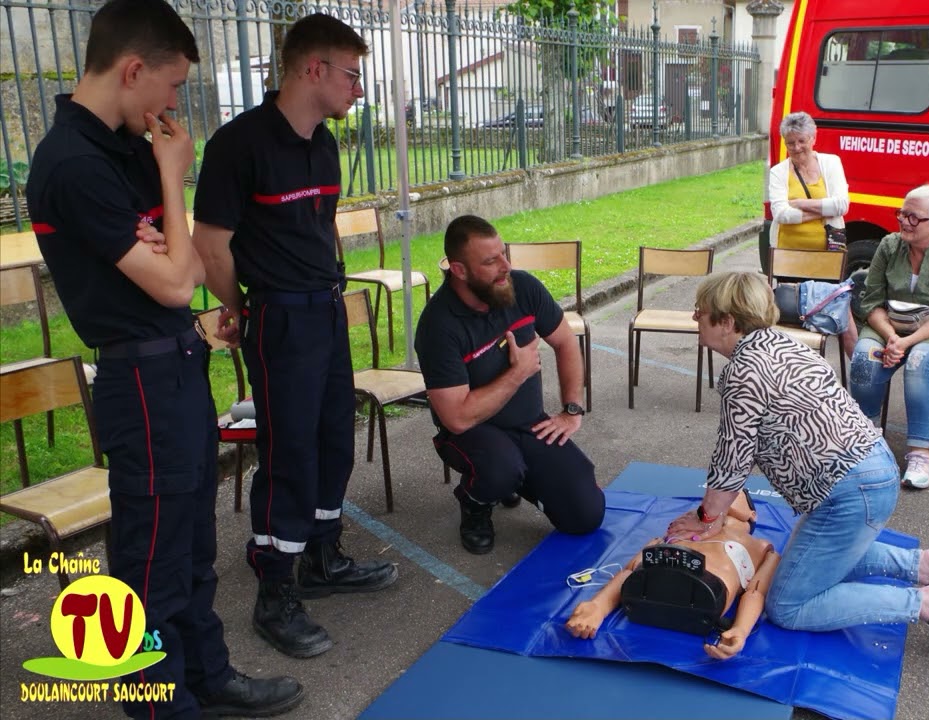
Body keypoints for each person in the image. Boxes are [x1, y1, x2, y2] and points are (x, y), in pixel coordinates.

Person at [25, 0, 302, 716]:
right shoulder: (72, 162)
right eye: (172, 86)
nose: (175, 104)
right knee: (150, 556)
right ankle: (157, 701)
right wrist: (173, 179)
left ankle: (206, 674)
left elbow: (170, 254)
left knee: (191, 542)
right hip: (139, 375)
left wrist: (162, 218)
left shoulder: (120, 146)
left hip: (176, 361)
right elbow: (179, 277)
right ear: (133, 69)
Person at [193, 13, 398, 660]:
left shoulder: (325, 145)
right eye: (352, 74)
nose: (358, 89)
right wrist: (238, 308)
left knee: (335, 436)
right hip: (278, 318)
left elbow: (318, 230)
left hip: (326, 310)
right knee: (288, 454)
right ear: (314, 69)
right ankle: (274, 592)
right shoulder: (240, 144)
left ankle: (322, 557)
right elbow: (210, 244)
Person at [665, 272, 929, 645]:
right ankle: (923, 566)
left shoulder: (742, 372)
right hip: (872, 471)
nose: (694, 318)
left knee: (787, 605)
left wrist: (705, 518)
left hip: (848, 492)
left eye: (700, 311)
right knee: (809, 557)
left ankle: (925, 603)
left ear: (728, 322)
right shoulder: (783, 342)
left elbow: (731, 463)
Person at [415, 215, 604, 555]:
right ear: (459, 270)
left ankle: (514, 477)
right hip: (470, 432)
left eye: (503, 253)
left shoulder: (522, 287)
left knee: (586, 516)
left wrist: (571, 409)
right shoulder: (438, 326)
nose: (506, 266)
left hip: (529, 425)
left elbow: (565, 342)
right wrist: (517, 373)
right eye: (490, 261)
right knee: (500, 468)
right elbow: (456, 418)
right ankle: (474, 503)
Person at [847, 184, 929, 490]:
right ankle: (866, 439)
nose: (904, 222)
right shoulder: (888, 245)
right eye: (902, 213)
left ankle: (921, 453)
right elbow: (870, 303)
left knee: (920, 363)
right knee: (863, 358)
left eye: (914, 217)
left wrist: (905, 343)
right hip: (890, 325)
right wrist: (890, 336)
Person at [565, 491, 780, 658]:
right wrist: (598, 606)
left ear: (752, 514)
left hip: (708, 591)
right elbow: (633, 568)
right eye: (718, 490)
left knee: (675, 571)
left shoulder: (762, 547)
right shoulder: (687, 524)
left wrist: (740, 630)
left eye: (735, 491)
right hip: (649, 581)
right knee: (650, 565)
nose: (724, 493)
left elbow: (756, 592)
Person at [767, 111, 849, 252]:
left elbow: (841, 205)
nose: (796, 148)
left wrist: (800, 203)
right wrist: (826, 211)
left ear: (813, 138)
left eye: (801, 141)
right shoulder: (777, 172)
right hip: (787, 255)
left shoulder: (832, 162)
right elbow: (781, 214)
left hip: (828, 254)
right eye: (790, 143)